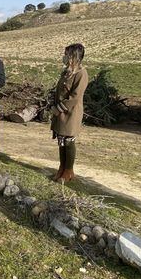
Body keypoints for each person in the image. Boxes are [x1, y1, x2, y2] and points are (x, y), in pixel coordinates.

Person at [50, 43, 88, 182]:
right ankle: (61, 167)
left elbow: (75, 97)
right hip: (60, 113)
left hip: (71, 113)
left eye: (66, 54)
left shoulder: (81, 74)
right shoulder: (66, 72)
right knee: (61, 141)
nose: (64, 56)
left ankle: (69, 170)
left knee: (69, 141)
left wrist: (59, 108)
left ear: (74, 56)